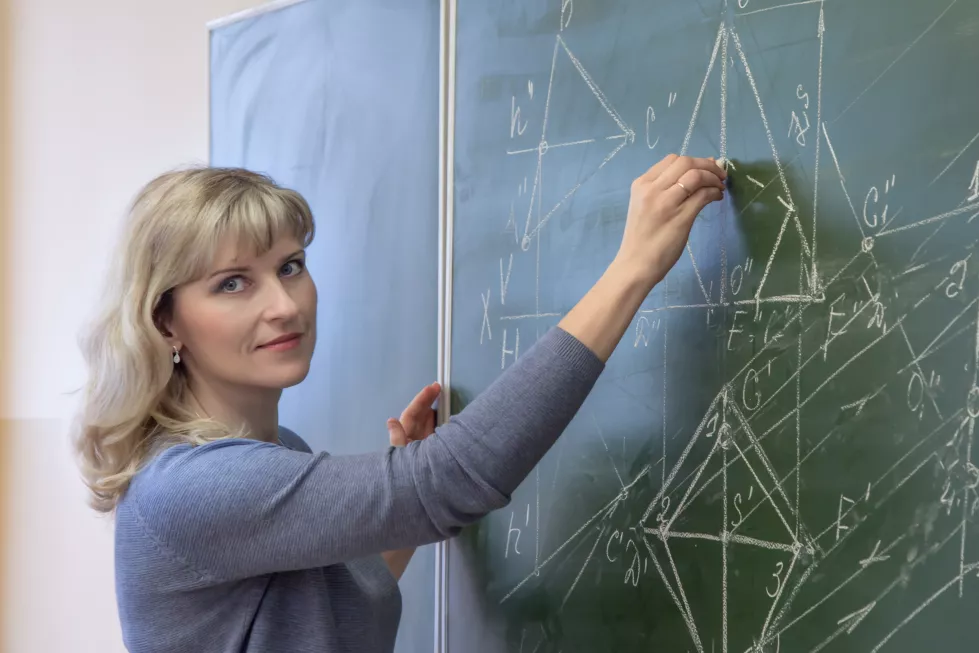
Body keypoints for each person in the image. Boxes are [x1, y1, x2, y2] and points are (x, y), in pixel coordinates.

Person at [73, 153, 726, 652]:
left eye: (291, 265)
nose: (283, 304)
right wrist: (633, 267)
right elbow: (448, 482)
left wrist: (398, 507)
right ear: (165, 323)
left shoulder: (275, 453)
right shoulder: (193, 487)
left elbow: (337, 613)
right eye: (233, 283)